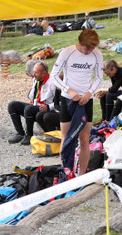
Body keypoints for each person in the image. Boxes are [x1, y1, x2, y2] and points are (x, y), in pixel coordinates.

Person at [51, 29, 104, 176]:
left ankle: (82, 174)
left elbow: (99, 78)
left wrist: (89, 93)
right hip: (68, 99)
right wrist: (69, 90)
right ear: (81, 43)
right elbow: (54, 76)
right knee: (66, 137)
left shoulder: (97, 54)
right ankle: (66, 172)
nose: (89, 51)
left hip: (86, 100)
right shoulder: (67, 52)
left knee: (84, 139)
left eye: (92, 48)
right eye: (87, 47)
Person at [7, 61, 59, 145]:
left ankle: (29, 135)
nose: (33, 74)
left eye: (36, 72)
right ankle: (20, 133)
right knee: (12, 105)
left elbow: (58, 103)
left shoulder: (52, 83)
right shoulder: (36, 80)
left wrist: (48, 107)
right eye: (33, 71)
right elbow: (32, 96)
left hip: (46, 110)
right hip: (35, 106)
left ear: (44, 73)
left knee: (29, 109)